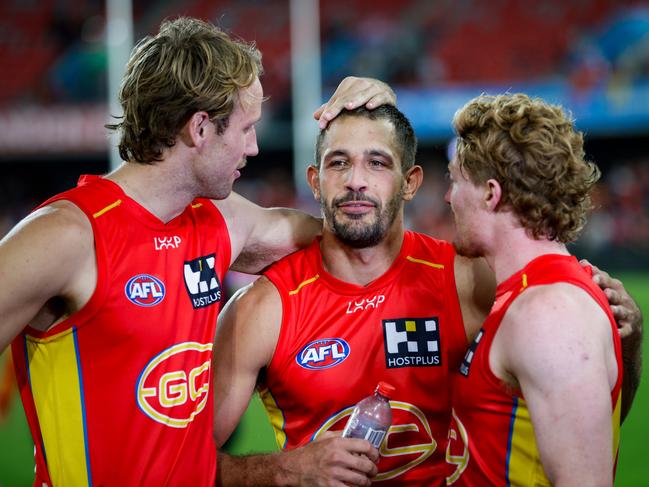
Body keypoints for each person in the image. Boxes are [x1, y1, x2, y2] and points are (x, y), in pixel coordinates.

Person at [0, 17, 395, 486]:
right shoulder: (67, 235)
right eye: (246, 129)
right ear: (201, 128)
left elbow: (352, 235)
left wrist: (377, 116)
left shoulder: (221, 221)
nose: (253, 147)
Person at [213, 105, 642, 486]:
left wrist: (627, 341)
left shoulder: (473, 283)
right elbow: (174, 464)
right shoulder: (262, 309)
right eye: (338, 162)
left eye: (378, 163)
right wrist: (285, 471)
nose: (355, 181)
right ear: (315, 180)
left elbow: (577, 422)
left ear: (410, 181)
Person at [445, 93, 641, 486]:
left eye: (454, 180)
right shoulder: (531, 296)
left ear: (490, 192)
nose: (449, 197)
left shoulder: (549, 313)